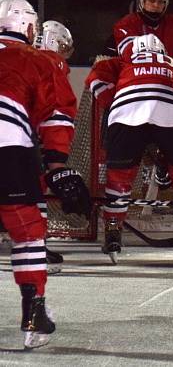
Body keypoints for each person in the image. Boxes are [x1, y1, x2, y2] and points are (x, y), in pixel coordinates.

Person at [0, 0, 91, 348]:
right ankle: (33, 316)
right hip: (10, 148)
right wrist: (57, 166)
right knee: (28, 231)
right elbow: (56, 116)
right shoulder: (38, 60)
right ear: (27, 27)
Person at [84, 34, 173, 266]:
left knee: (119, 179)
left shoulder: (124, 61)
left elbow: (95, 79)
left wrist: (115, 104)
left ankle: (112, 233)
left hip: (127, 112)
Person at [33, 20, 78, 275]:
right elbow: (58, 109)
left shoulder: (18, 57)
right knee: (34, 188)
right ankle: (35, 247)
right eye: (62, 46)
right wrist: (56, 156)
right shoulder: (52, 63)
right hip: (20, 135)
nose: (64, 52)